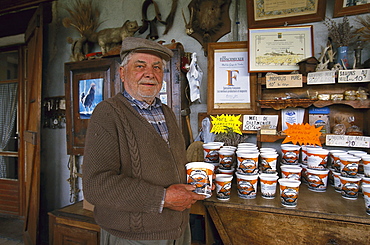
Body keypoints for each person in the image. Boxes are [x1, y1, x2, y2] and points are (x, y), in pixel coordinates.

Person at [82, 37, 206, 245]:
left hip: (178, 231)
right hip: (134, 237)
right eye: (140, 66)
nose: (150, 73)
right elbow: (96, 185)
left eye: (157, 67)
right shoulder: (107, 113)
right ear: (122, 73)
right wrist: (163, 198)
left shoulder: (166, 112)